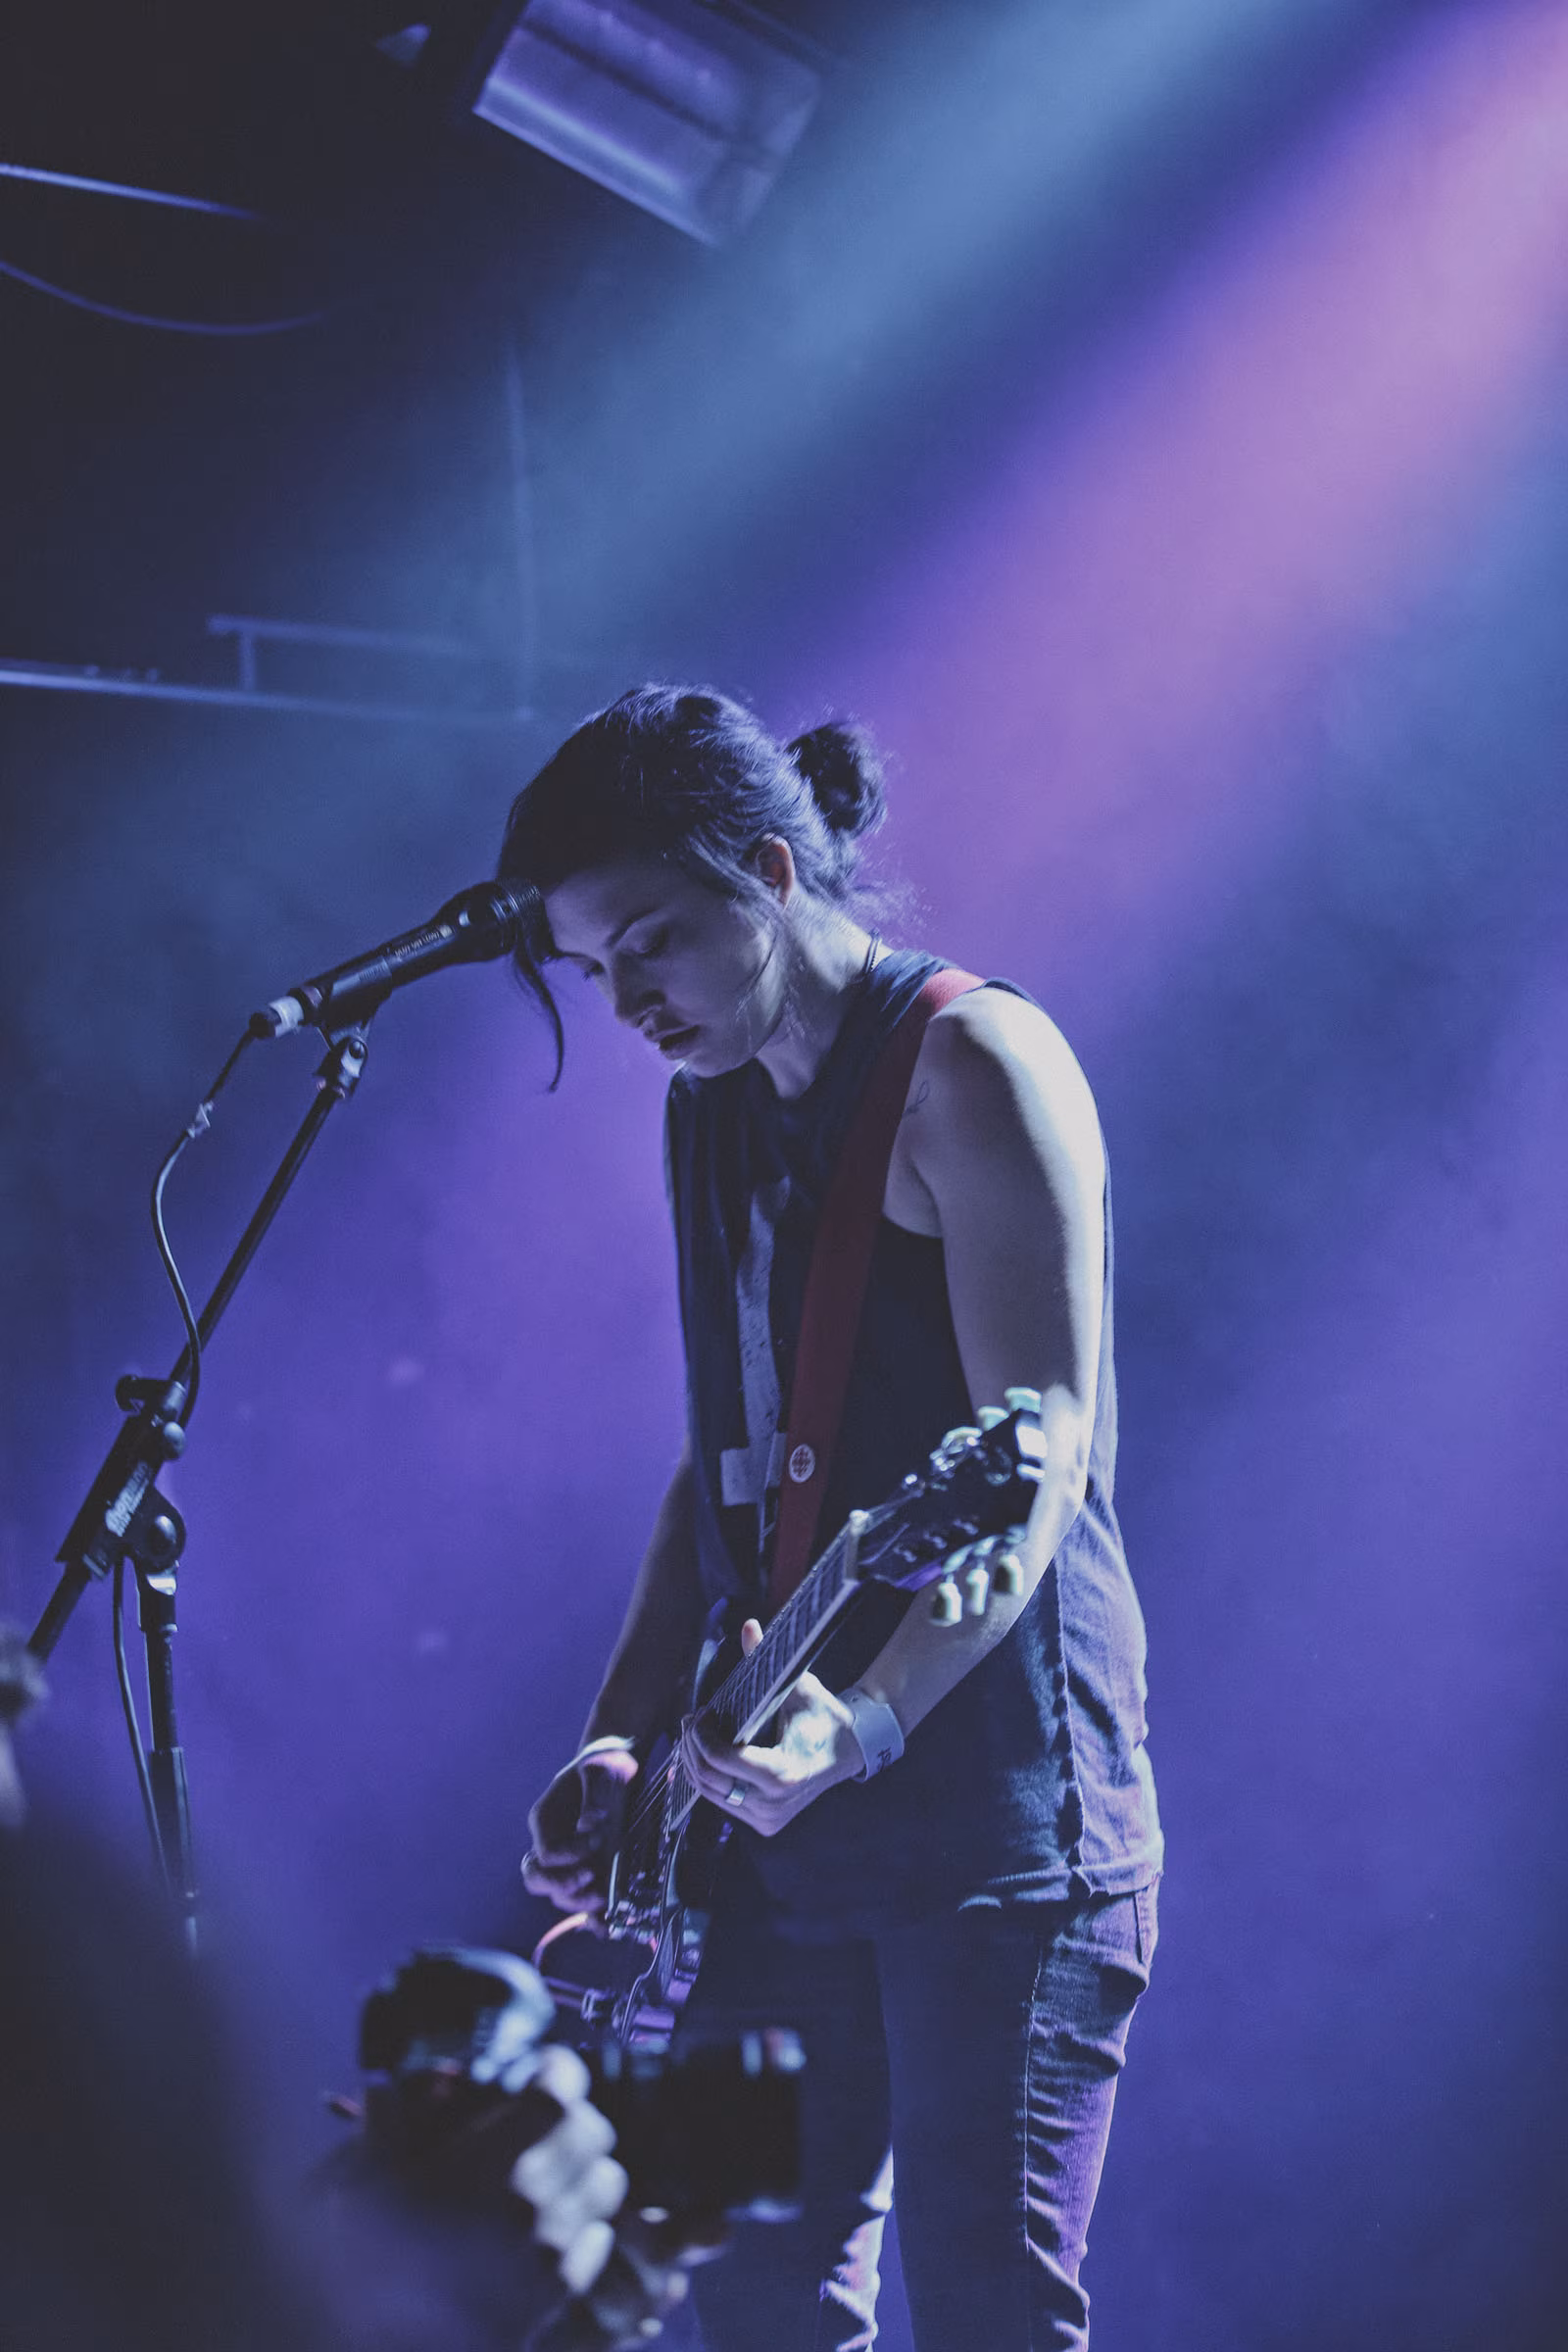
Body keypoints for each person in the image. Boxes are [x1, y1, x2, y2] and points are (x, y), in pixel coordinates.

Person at [506, 687, 1163, 2351]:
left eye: (649, 942)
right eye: (594, 970)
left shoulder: (973, 1068)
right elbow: (726, 1462)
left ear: (774, 871)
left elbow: (1039, 1466)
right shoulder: (710, 1106)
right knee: (750, 2313)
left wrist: (861, 1721)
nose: (627, 1001)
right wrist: (619, 1747)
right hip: (774, 1850)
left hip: (1000, 1831)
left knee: (989, 2317)